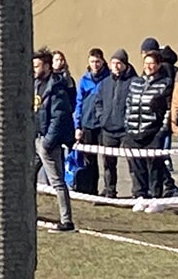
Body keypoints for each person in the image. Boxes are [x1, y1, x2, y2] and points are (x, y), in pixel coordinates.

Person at [34, 49, 75, 232]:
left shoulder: (56, 88)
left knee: (57, 181)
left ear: (47, 67)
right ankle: (29, 212)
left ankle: (67, 221)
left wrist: (48, 142)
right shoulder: (35, 85)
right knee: (27, 178)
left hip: (47, 142)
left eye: (37, 66)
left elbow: (59, 116)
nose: (34, 69)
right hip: (35, 139)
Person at [123, 50, 173, 201]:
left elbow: (168, 110)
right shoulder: (135, 83)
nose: (148, 66)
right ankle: (140, 195)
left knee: (155, 168)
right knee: (137, 167)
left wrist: (161, 132)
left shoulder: (165, 83)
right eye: (146, 63)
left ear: (158, 65)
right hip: (134, 133)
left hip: (153, 133)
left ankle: (155, 197)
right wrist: (127, 126)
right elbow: (128, 105)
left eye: (152, 63)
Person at [94, 49, 137, 198]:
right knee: (108, 163)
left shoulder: (134, 82)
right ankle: (109, 190)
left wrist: (129, 121)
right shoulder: (105, 83)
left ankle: (138, 192)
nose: (116, 66)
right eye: (113, 63)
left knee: (133, 162)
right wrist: (102, 118)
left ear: (125, 64)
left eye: (119, 63)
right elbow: (98, 102)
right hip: (108, 130)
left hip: (126, 131)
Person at [72, 48, 109, 194]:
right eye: (92, 61)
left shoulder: (108, 79)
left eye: (98, 61)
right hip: (87, 124)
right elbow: (79, 103)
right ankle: (91, 189)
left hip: (103, 125)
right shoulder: (84, 80)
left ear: (102, 61)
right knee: (89, 160)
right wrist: (77, 125)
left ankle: (109, 190)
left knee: (108, 159)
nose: (95, 64)